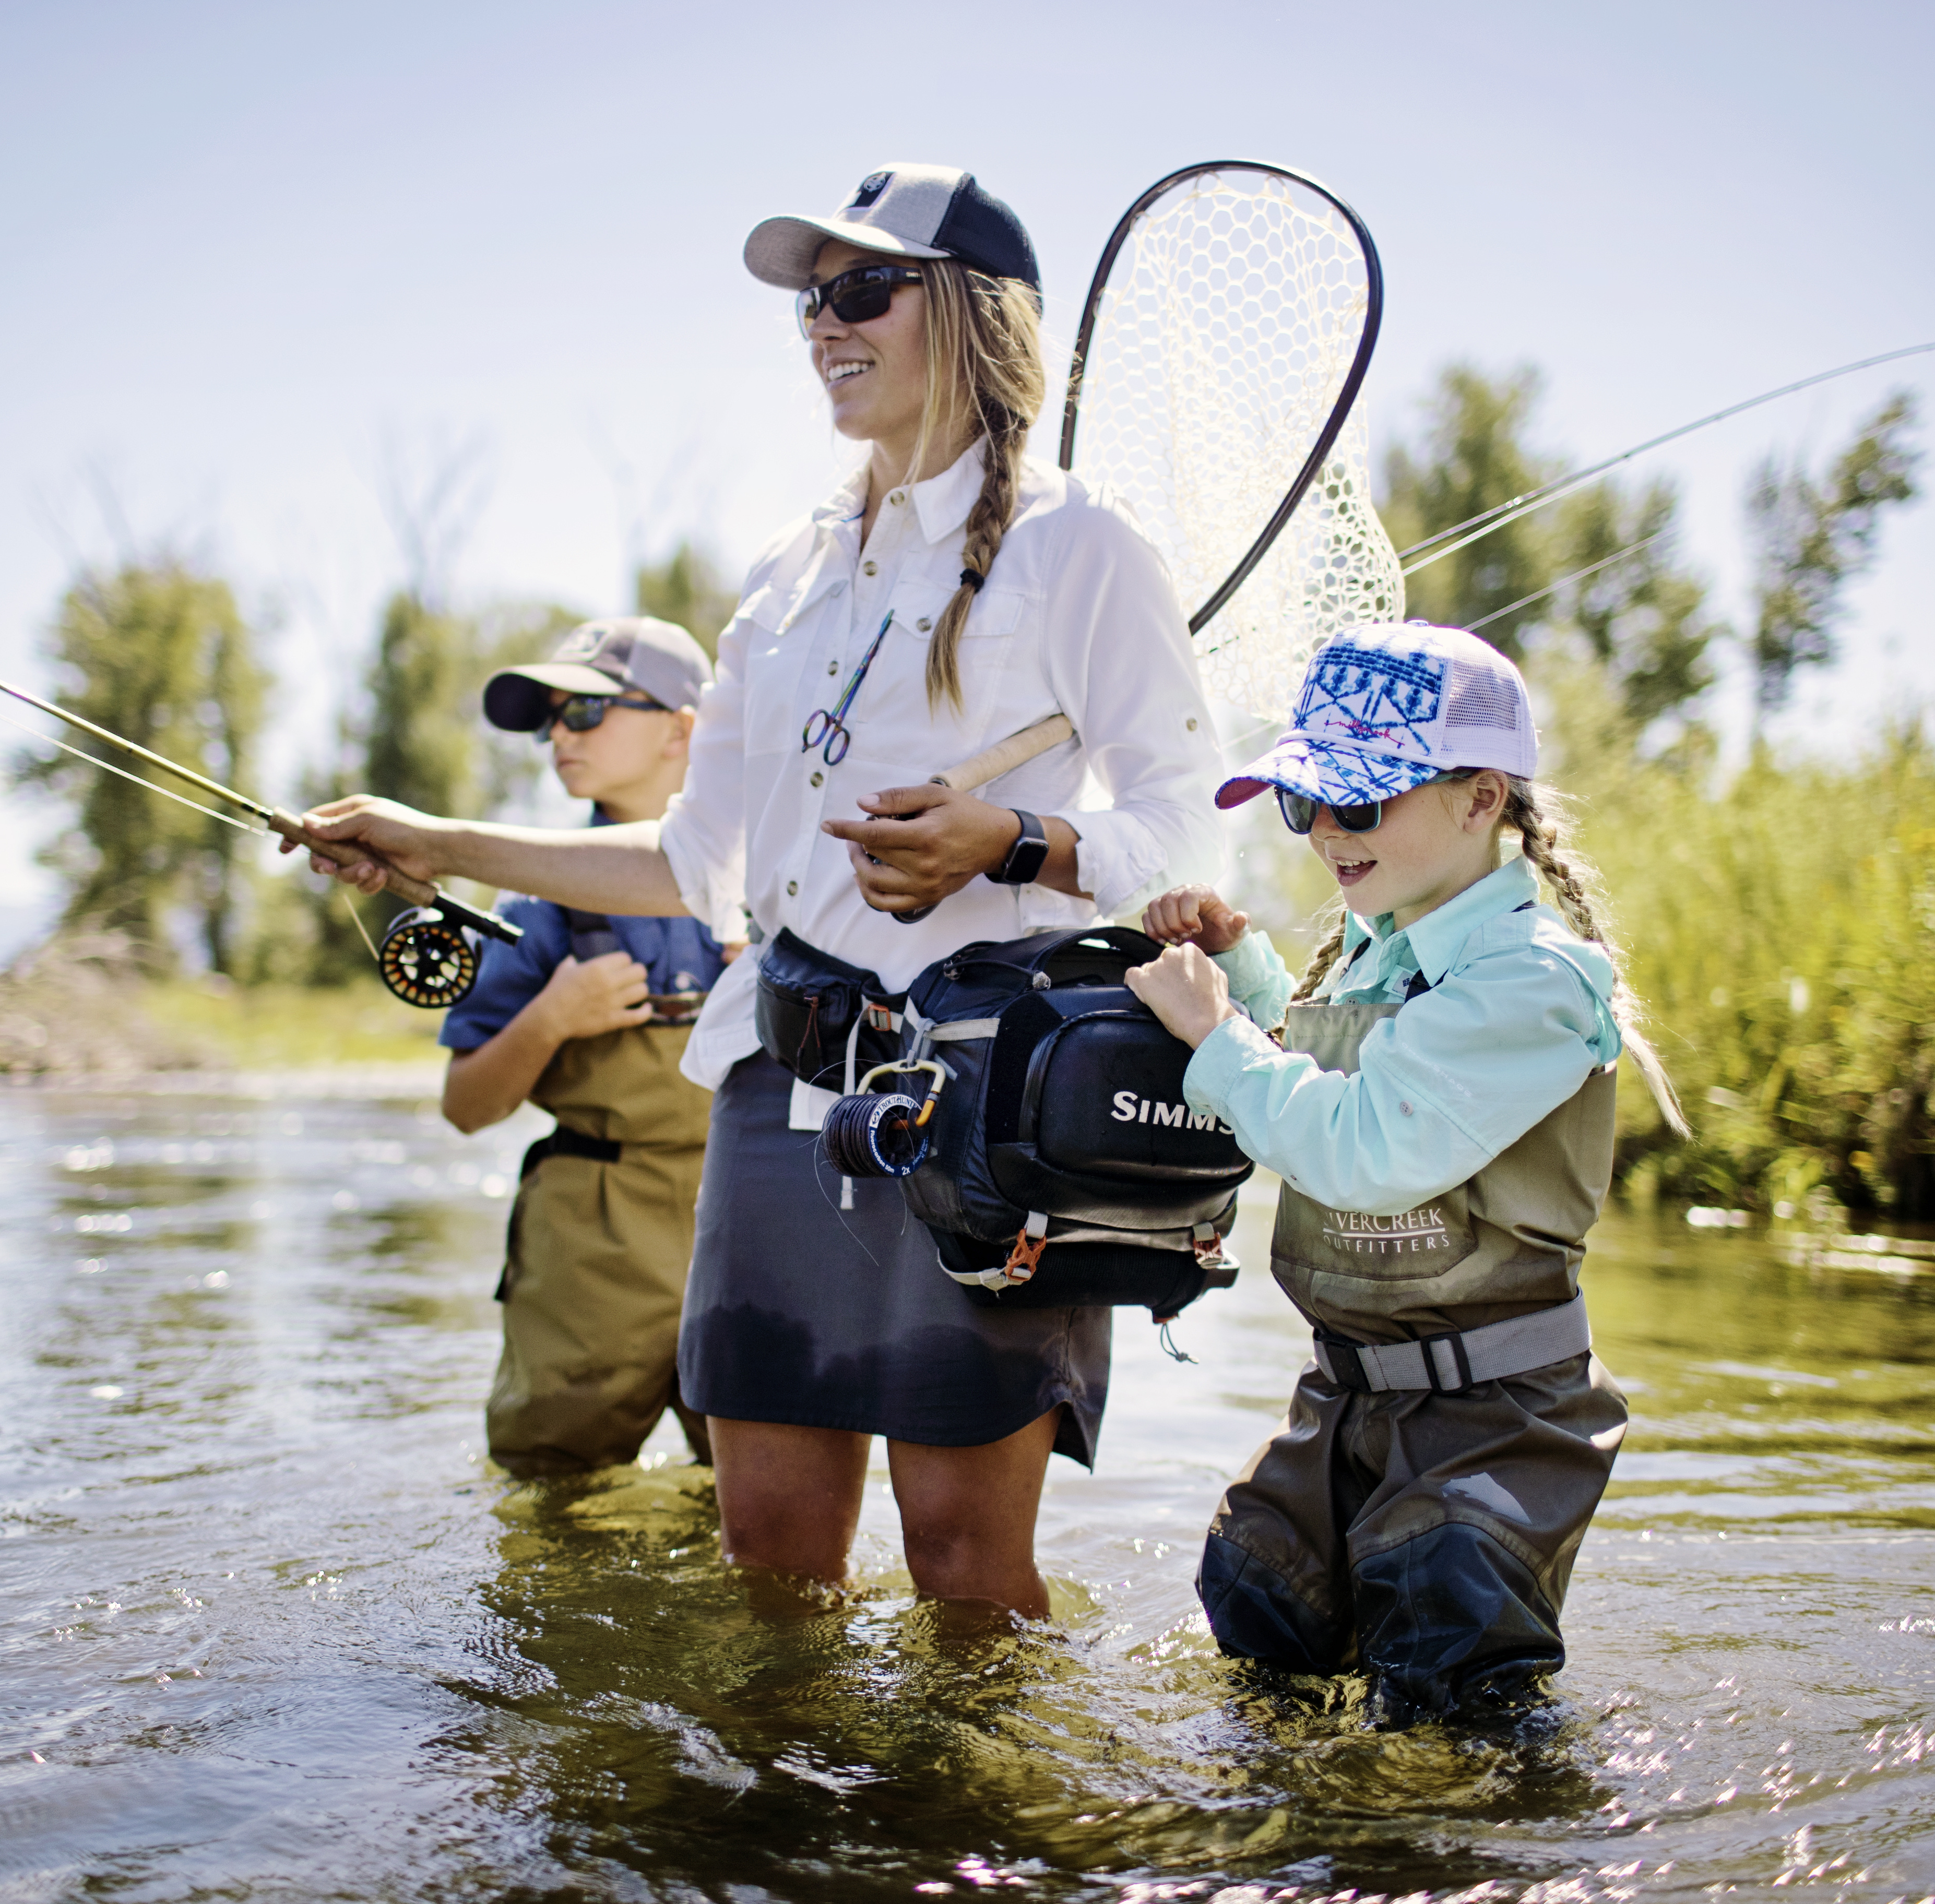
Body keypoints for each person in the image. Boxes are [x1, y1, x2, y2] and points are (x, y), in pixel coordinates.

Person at [292, 163, 1224, 1620]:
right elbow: (687, 861)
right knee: (766, 1571)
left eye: (864, 290)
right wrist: (439, 843)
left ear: (972, 315)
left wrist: (1012, 842)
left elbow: (1189, 835)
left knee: (964, 1575)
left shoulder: (1082, 545)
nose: (823, 325)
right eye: (812, 299)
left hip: (975, 1113)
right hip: (770, 1100)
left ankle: (976, 1851)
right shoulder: (784, 579)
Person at [1121, 622, 1688, 1722]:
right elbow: (1325, 1076)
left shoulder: (1536, 981)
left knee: (1449, 1636)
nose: (1327, 833)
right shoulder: (1377, 949)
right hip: (1348, 1394)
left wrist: (1211, 1038)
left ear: (1483, 799)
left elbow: (1364, 1147)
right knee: (1260, 1597)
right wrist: (1239, 972)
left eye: (1361, 802)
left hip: (1499, 1411)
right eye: (1304, 804)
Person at [437, 616, 728, 1478]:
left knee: (772, 1520)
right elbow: (464, 1108)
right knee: (549, 1504)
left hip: (751, 1229)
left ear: (685, 728)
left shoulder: (783, 884)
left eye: (589, 712)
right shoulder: (528, 903)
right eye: (551, 719)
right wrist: (551, 1017)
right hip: (590, 1248)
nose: (559, 735)